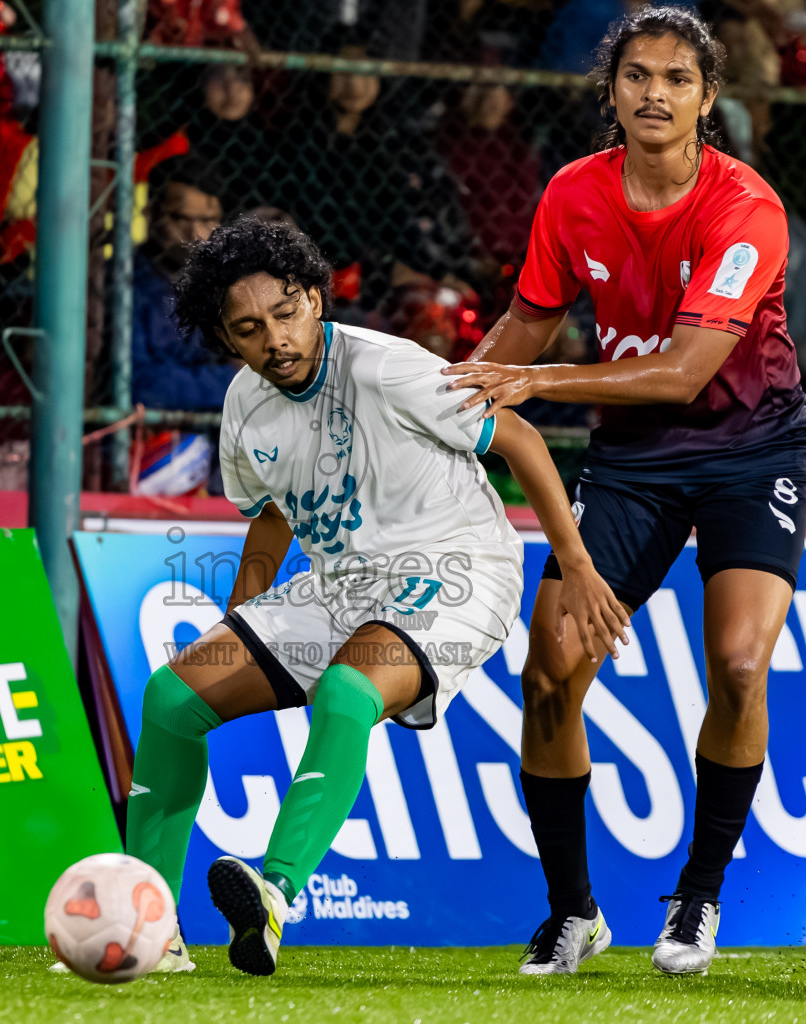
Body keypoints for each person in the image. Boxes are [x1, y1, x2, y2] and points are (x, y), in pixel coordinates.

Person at [124, 216, 622, 978]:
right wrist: (247, 611)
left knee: (349, 690)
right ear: (229, 341)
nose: (276, 340)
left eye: (286, 313)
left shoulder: (389, 369)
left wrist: (577, 563)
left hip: (460, 569)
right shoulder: (244, 407)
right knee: (169, 697)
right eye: (250, 330)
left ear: (316, 300)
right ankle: (148, 927)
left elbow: (517, 438)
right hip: (343, 584)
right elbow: (272, 512)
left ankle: (276, 892)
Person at [442, 5, 806, 977]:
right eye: (638, 74)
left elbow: (686, 370)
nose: (656, 92)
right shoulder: (571, 195)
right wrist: (438, 406)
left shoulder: (748, 209)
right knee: (548, 674)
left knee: (738, 667)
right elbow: (517, 337)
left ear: (708, 97)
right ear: (610, 90)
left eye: (677, 78)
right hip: (634, 464)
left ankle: (698, 896)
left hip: (751, 453)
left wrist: (537, 386)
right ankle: (573, 912)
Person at [132, 155, 241, 412]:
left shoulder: (230, 284)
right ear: (150, 215)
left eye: (207, 220)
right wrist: (232, 380)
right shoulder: (125, 285)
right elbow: (141, 385)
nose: (195, 235)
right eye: (181, 218)